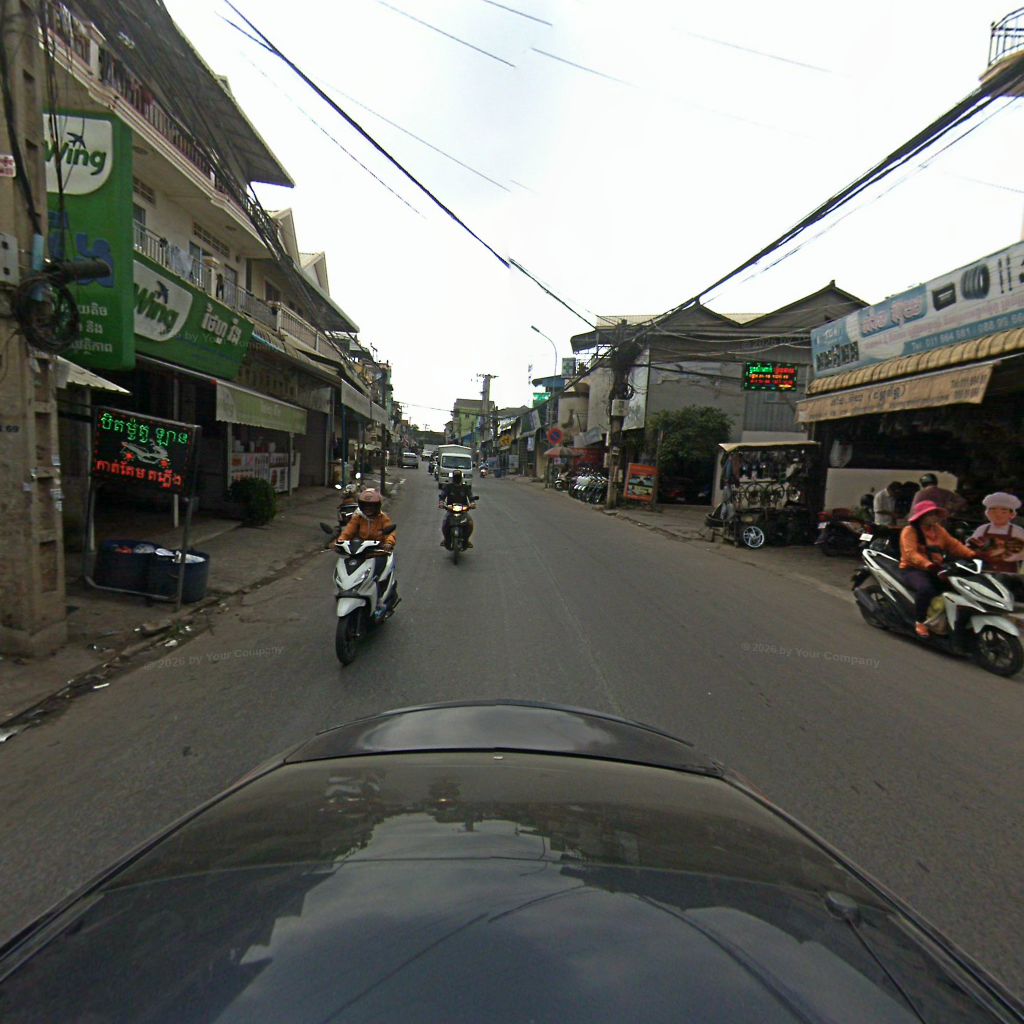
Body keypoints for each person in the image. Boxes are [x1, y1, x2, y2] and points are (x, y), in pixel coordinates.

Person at [899, 500, 975, 638]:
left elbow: (954, 545)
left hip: (936, 568)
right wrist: (928, 565)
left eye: (935, 514)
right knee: (926, 589)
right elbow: (911, 554)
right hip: (913, 569)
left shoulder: (938, 530)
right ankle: (920, 622)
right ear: (922, 516)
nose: (935, 517)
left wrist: (973, 555)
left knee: (959, 588)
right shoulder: (910, 531)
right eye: (931, 514)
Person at [968, 492, 1024, 576]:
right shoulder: (982, 529)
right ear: (987, 513)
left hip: (1008, 573)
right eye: (993, 511)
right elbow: (970, 547)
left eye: (1003, 512)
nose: (998, 515)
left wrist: (1006, 556)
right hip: (983, 571)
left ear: (1011, 514)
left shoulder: (1017, 530)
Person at [338, 488, 396, 553]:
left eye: (371, 506)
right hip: (359, 552)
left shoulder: (383, 518)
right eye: (365, 505)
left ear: (377, 506)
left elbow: (390, 533)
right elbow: (348, 531)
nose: (368, 508)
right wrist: (340, 541)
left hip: (379, 551)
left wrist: (389, 543)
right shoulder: (358, 518)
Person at [439, 470, 475, 548]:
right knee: (445, 522)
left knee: (469, 523)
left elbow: (470, 496)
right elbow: (442, 496)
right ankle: (446, 539)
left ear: (461, 478)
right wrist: (441, 502)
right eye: (456, 477)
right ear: (453, 478)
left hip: (463, 510)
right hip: (450, 510)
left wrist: (472, 503)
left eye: (458, 477)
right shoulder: (448, 487)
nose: (457, 479)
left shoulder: (465, 487)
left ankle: (466, 540)